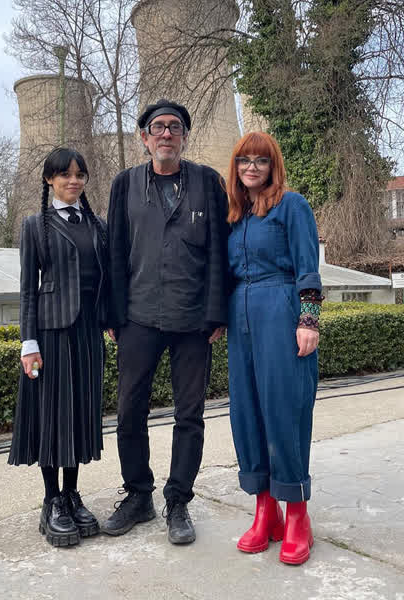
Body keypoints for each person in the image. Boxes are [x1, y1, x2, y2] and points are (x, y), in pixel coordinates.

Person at [101, 99, 229, 545]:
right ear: (144, 137)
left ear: (185, 137)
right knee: (129, 412)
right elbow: (115, 251)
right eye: (158, 127)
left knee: (189, 414)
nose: (166, 134)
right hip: (138, 317)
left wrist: (217, 312)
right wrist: (113, 312)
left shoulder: (208, 183)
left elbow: (219, 250)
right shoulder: (125, 184)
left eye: (175, 127)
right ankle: (139, 495)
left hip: (193, 320)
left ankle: (178, 501)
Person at [226, 132, 323, 565]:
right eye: (244, 160)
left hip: (281, 311)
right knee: (246, 413)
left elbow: (307, 265)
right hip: (240, 315)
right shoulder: (235, 215)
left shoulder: (292, 205)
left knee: (286, 410)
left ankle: (297, 513)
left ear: (273, 166)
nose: (251, 167)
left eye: (260, 161)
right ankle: (266, 509)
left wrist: (309, 320)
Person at [8, 148, 108, 548]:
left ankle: (71, 494)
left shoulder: (97, 225)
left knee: (79, 414)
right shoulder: (36, 226)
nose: (73, 181)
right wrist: (28, 342)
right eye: (65, 174)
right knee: (53, 416)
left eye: (80, 174)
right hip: (50, 335)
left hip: (88, 334)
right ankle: (51, 501)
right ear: (50, 179)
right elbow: (27, 290)